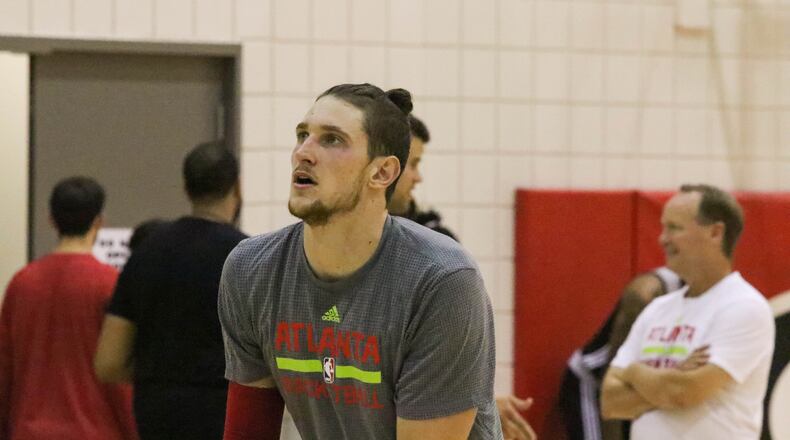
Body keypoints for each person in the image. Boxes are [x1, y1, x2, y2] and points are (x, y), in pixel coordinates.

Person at [218, 83, 502, 439]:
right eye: (302, 135)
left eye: (332, 139)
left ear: (382, 173)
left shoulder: (443, 281)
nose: (303, 152)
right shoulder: (250, 270)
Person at [389, 114, 535, 440]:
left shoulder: (438, 251)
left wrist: (474, 403)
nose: (418, 177)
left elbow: (448, 362)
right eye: (412, 164)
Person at [94, 142, 247, 440]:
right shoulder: (246, 256)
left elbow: (108, 362)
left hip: (156, 412)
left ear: (185, 188)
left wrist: (161, 373)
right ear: (237, 188)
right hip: (224, 413)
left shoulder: (147, 251)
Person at [601, 184, 775, 439]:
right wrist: (674, 376)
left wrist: (634, 372)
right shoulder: (658, 309)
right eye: (663, 227)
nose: (663, 239)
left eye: (674, 228)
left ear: (716, 233)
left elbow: (683, 393)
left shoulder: (744, 307)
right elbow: (610, 402)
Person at [0, 176, 137, 439]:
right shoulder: (109, 284)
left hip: (29, 431)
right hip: (97, 431)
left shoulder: (21, 283)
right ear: (99, 221)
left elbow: (5, 370)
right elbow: (119, 377)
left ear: (51, 219)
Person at [559, 267, 682, 440]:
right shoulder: (647, 293)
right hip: (594, 382)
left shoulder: (718, 299)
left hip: (638, 391)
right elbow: (611, 382)